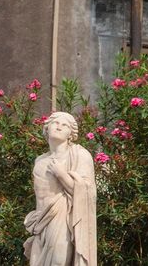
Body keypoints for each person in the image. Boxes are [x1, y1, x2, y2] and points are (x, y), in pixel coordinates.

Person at [23, 109, 96, 266]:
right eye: (55, 123)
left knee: (58, 262)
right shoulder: (40, 160)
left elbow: (88, 193)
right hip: (39, 222)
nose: (59, 126)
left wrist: (61, 174)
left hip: (63, 221)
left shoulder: (80, 155)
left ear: (71, 134)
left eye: (65, 125)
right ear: (47, 128)